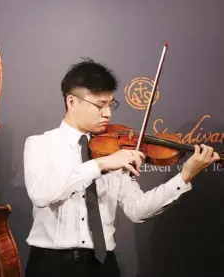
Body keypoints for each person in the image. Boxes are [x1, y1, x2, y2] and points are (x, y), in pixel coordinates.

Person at [23, 58, 220, 277]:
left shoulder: (115, 148)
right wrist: (100, 164)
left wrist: (183, 178)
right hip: (50, 266)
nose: (107, 114)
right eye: (100, 105)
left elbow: (137, 210)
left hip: (103, 266)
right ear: (72, 101)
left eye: (110, 104)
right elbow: (41, 194)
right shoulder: (39, 144)